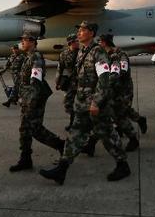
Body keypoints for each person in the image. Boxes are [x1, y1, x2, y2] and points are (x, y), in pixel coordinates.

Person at [39, 21, 130, 185]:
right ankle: (62, 169)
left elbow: (104, 79)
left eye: (83, 30)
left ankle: (123, 165)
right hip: (81, 102)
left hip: (95, 102)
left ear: (91, 33)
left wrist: (96, 102)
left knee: (107, 134)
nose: (79, 32)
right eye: (79, 30)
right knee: (75, 134)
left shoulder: (98, 52)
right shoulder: (82, 52)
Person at [9, 32, 65, 172]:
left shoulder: (36, 57)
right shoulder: (27, 57)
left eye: (25, 40)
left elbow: (36, 81)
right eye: (21, 39)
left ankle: (60, 145)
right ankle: (25, 159)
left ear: (33, 42)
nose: (22, 42)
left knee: (35, 129)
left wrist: (31, 102)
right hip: (27, 99)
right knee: (25, 130)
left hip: (34, 99)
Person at [99, 33, 147, 152]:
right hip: (111, 89)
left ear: (104, 42)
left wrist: (107, 81)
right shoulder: (102, 54)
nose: (99, 44)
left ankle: (133, 138)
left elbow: (123, 71)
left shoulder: (121, 54)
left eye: (100, 41)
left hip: (123, 89)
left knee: (121, 113)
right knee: (120, 111)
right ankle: (139, 119)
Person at [56, 33, 79, 131]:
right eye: (75, 41)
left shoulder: (82, 53)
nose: (78, 43)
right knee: (68, 104)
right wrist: (58, 82)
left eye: (78, 41)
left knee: (82, 105)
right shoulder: (64, 54)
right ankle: (73, 121)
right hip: (70, 83)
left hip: (82, 83)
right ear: (70, 43)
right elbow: (60, 68)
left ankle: (78, 124)